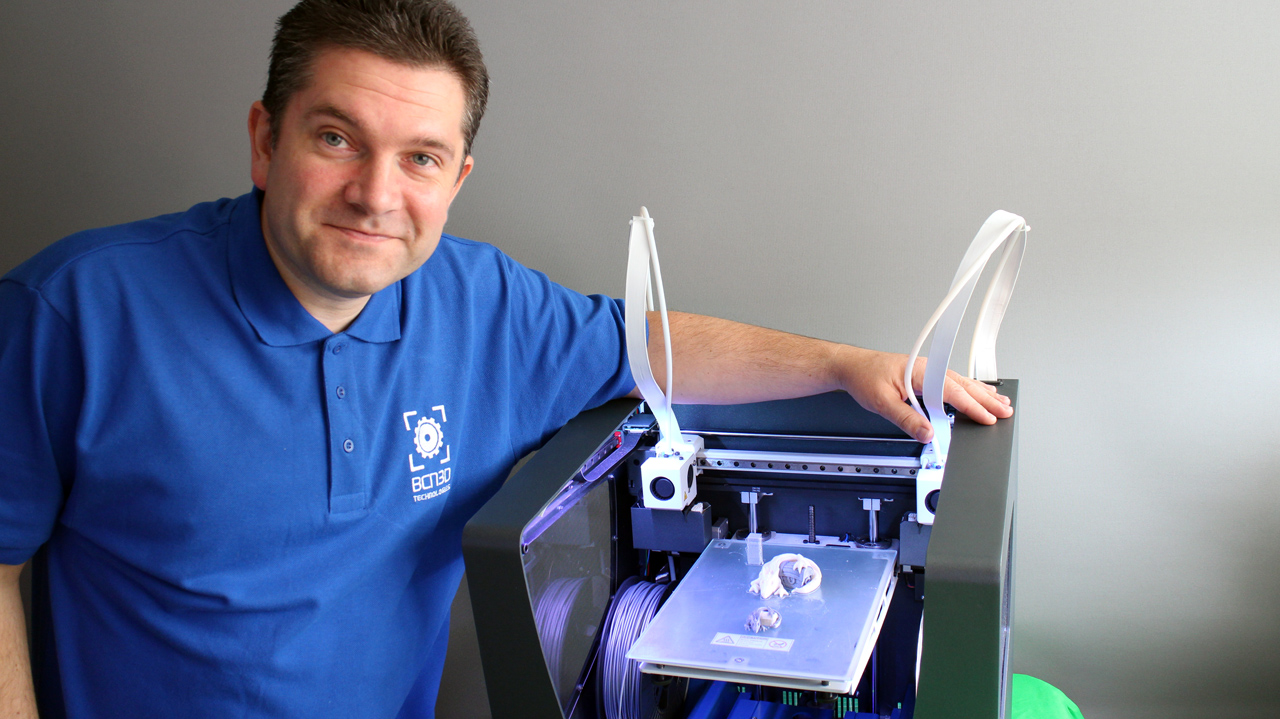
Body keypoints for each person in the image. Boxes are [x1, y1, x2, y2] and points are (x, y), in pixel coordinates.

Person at [0, 1, 1012, 716]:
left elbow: (646, 344)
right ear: (266, 141)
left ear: (456, 178)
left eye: (420, 158)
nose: (376, 194)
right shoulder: (74, 313)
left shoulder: (484, 304)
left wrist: (841, 362)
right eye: (336, 138)